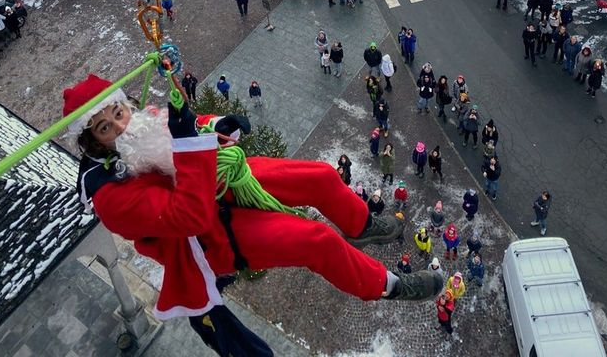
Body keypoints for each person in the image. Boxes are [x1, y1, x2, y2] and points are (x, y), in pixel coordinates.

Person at [65, 75, 444, 339]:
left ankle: (361, 225)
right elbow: (188, 215)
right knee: (316, 240)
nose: (119, 127)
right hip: (208, 235)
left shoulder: (143, 123)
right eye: (104, 128)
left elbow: (187, 124)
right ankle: (388, 286)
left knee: (322, 177)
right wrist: (189, 146)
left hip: (224, 179)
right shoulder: (111, 196)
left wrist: (218, 124)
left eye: (117, 113)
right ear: (94, 143)